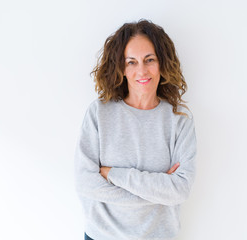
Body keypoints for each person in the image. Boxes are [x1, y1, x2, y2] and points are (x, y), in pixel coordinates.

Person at [74, 19, 197, 240]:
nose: (141, 70)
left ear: (162, 63)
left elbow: (180, 190)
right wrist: (159, 191)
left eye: (149, 60)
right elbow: (85, 183)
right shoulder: (99, 114)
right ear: (121, 68)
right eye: (131, 62)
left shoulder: (179, 122)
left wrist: (112, 174)